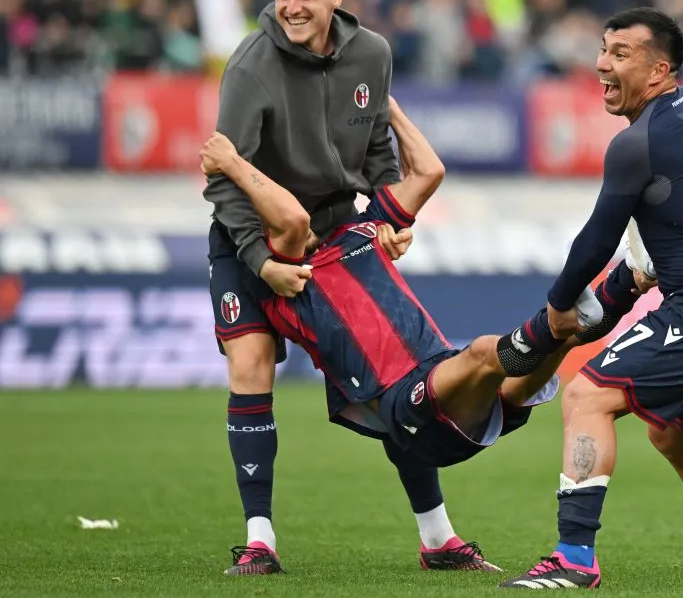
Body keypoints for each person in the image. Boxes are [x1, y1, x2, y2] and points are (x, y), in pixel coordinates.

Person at [203, 0, 490, 576]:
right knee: (250, 369)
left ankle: (438, 539)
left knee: (396, 379)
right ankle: (260, 541)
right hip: (249, 240)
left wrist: (385, 225)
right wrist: (260, 261)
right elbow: (224, 179)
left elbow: (380, 157)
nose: (290, 7)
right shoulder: (250, 66)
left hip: (336, 240)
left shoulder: (373, 54)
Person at [199, 98, 651, 489]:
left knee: (568, 334)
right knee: (483, 351)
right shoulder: (289, 274)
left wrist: (385, 103)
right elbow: (292, 220)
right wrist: (233, 163)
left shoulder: (362, 231)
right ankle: (556, 318)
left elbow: (430, 171)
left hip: (449, 388)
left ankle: (631, 280)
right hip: (408, 407)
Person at [500, 7, 683, 590]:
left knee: (587, 396)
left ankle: (574, 557)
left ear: (659, 70)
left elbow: (595, 240)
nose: (602, 63)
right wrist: (641, 276)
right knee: (673, 433)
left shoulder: (637, 143)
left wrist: (558, 307)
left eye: (620, 53)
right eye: (603, 49)